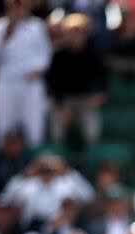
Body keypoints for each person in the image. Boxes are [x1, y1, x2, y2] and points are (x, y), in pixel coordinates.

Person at [0, 0, 52, 145]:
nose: (17, 9)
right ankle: (4, 163)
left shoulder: (37, 26)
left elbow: (45, 54)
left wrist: (38, 69)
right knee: (4, 126)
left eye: (20, 5)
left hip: (31, 84)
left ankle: (33, 160)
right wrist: (6, 35)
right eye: (14, 6)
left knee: (34, 127)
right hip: (6, 83)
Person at [46, 13, 107, 146]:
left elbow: (103, 80)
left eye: (79, 32)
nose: (75, 36)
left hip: (85, 100)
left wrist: (99, 96)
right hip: (64, 100)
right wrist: (61, 106)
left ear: (85, 34)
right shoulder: (58, 55)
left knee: (92, 126)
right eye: (71, 32)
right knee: (57, 122)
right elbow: (52, 83)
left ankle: (92, 154)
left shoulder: (93, 54)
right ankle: (59, 154)